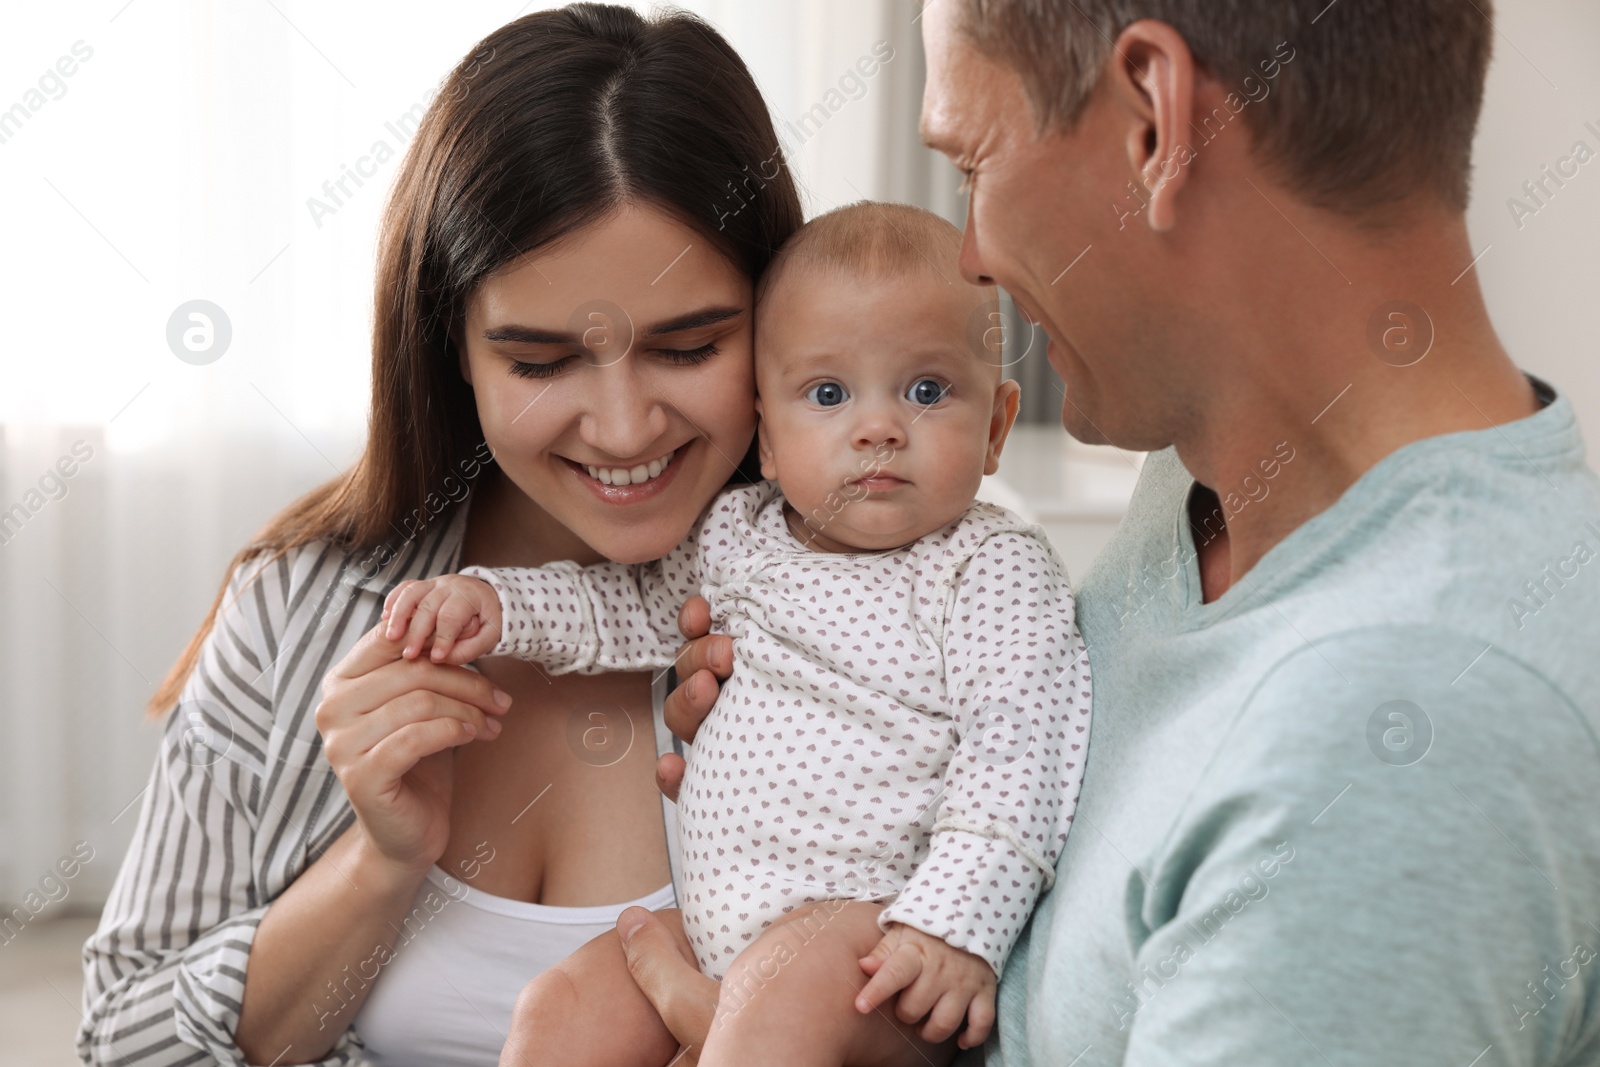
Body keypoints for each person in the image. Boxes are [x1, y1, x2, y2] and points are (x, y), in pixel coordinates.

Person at [609, 1, 1600, 1065]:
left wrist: (764, 1027)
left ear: (1152, 124)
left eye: (973, 163)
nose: (975, 255)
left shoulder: (1397, 728)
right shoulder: (1207, 467)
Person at [77, 5, 803, 1066]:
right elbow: (118, 1043)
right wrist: (377, 866)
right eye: (541, 362)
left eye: (687, 345)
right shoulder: (296, 606)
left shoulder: (897, 612)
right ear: (452, 346)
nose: (622, 427)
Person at [383, 202, 1092, 1067]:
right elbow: (627, 608)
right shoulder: (737, 536)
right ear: (765, 432)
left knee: (776, 994)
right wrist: (501, 606)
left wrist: (953, 924)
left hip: (879, 936)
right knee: (563, 1006)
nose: (879, 428)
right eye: (828, 395)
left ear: (996, 426)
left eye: (927, 390)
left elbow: (1022, 750)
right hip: (720, 924)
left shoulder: (989, 566)